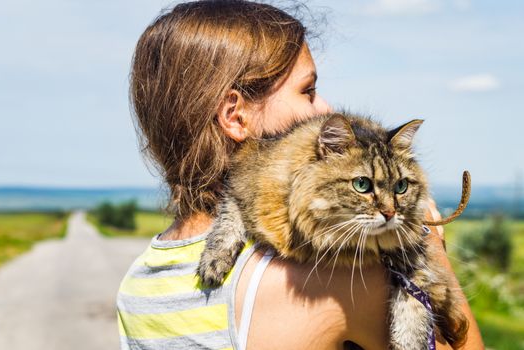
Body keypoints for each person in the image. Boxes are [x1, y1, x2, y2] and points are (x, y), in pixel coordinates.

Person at [117, 1, 484, 349]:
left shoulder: (136, 285)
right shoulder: (339, 281)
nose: (324, 108)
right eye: (308, 91)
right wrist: (431, 248)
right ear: (235, 116)